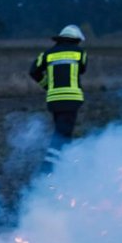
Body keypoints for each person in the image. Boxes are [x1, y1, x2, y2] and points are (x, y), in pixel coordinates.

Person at [30, 24, 88, 173]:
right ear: (76, 40)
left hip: (54, 100)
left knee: (61, 131)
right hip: (72, 99)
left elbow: (33, 71)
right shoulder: (80, 53)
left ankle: (63, 166)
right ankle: (48, 170)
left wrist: (47, 85)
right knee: (62, 135)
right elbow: (82, 69)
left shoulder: (47, 54)